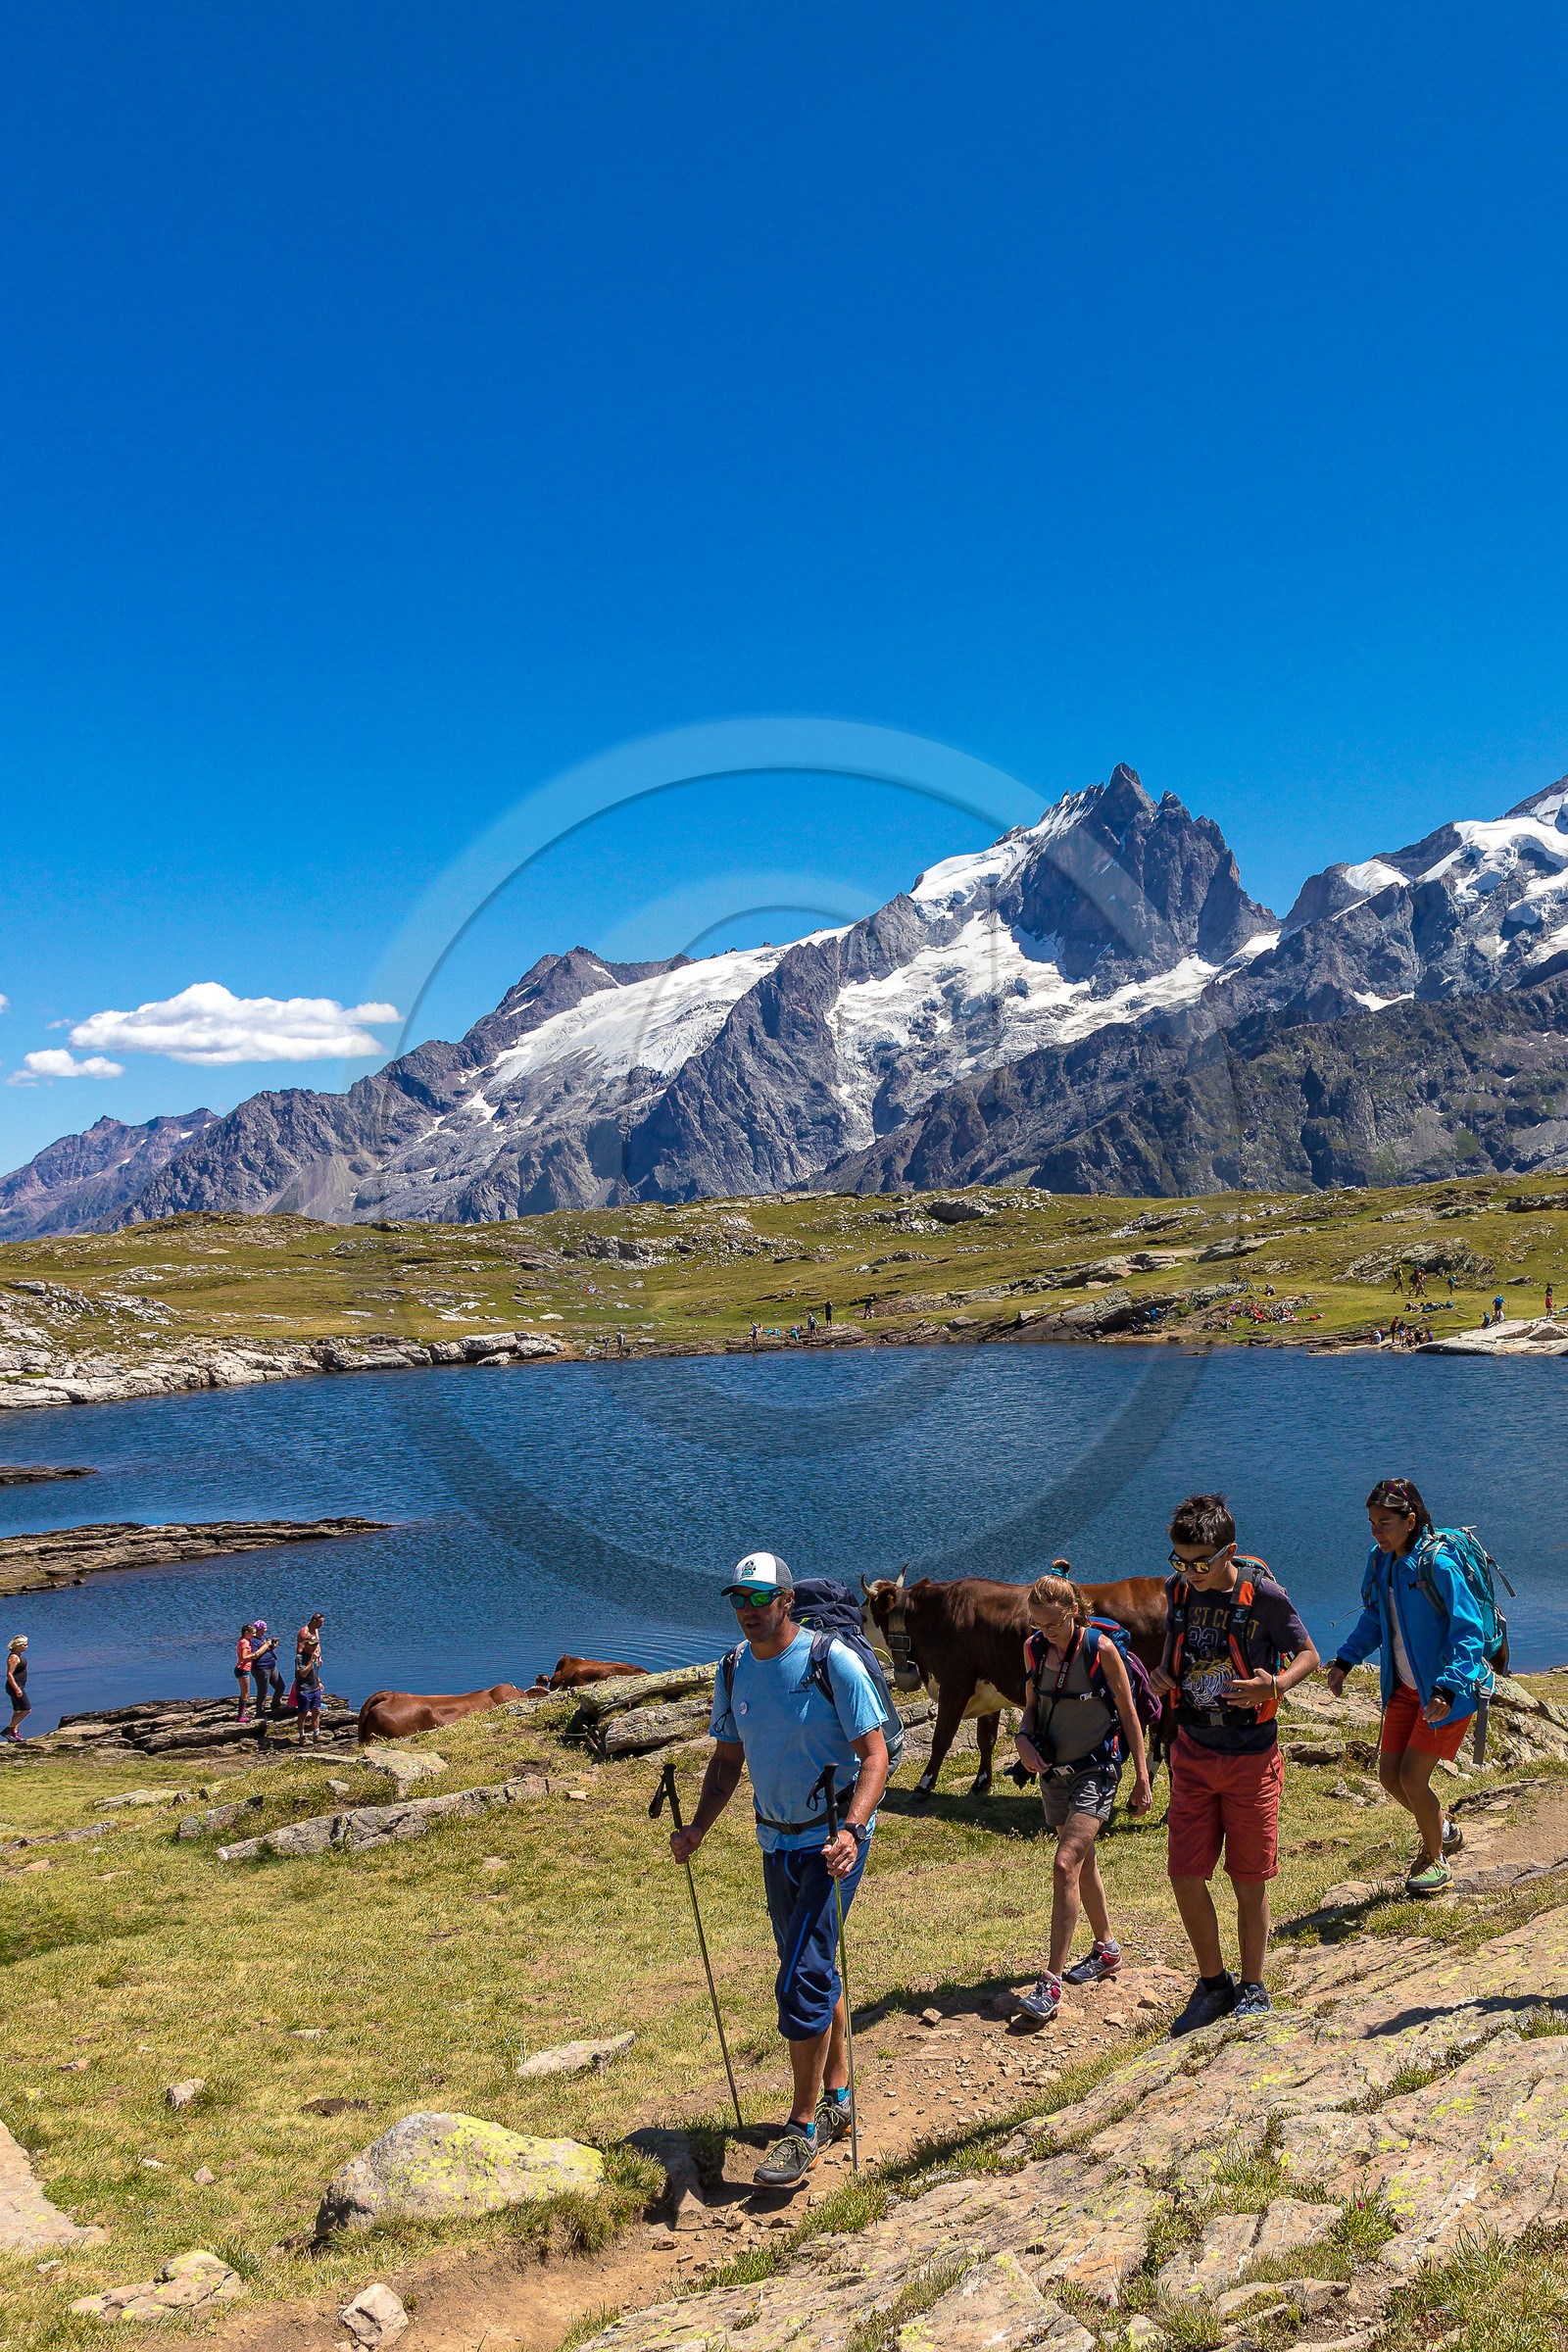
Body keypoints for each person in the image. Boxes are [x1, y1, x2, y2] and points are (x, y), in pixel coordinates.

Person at [671, 1551, 890, 2191]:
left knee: (800, 1980)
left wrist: (851, 1829)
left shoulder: (832, 1663)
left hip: (831, 1847)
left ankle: (801, 2130)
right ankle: (839, 2096)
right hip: (776, 1844)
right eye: (737, 1598)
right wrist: (697, 1828)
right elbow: (726, 1760)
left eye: (759, 1598)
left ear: (786, 1601)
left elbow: (874, 1758)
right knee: (812, 1970)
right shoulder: (734, 1668)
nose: (746, 1609)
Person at [1152, 1494, 1320, 2030]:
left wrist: (1276, 1683)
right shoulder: (1177, 1592)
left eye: (1201, 1562)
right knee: (1185, 1873)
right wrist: (1162, 1676)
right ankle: (1213, 1984)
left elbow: (1308, 1655)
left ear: (1230, 1551)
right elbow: (1175, 1650)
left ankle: (1253, 1986)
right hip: (1193, 1754)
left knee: (1250, 1880)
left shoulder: (1264, 1597)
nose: (1190, 1572)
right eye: (1179, 1560)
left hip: (1252, 1759)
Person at [1324, 1478, 1490, 1896]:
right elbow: (1375, 1619)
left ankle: (1436, 1859)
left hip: (1446, 1695)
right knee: (1389, 1777)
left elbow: (1468, 1631)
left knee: (1413, 1779)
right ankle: (1445, 1830)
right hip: (1403, 1690)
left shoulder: (1438, 1566)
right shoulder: (1381, 1562)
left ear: (1410, 1520)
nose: (1376, 1531)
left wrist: (1449, 1687)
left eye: (1385, 1523)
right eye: (1371, 1523)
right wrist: (1346, 1658)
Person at [1013, 1573, 1152, 2022]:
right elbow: (1032, 1704)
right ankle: (1107, 1948)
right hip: (1054, 1770)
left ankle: (1050, 1984)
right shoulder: (1034, 1649)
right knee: (1084, 1862)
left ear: (1073, 1611)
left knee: (1065, 1862)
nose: (1045, 1633)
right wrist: (1022, 1740)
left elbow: (1129, 1712)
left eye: (1053, 1624)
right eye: (1038, 1624)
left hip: (1098, 1768)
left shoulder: (1101, 1650)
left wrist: (1142, 1777)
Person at [295, 1613, 325, 1744]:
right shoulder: (300, 1658)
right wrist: (312, 1661)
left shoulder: (314, 1654)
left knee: (317, 1710)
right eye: (312, 1645)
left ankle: (316, 1734)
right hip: (304, 1689)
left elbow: (314, 1671)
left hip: (314, 1687)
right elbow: (302, 1673)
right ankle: (302, 1736)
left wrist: (318, 1681)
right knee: (303, 1713)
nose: (314, 1647)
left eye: (315, 1645)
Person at [250, 1622, 284, 1717]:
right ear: (259, 1629)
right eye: (264, 1628)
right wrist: (266, 1645)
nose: (266, 1630)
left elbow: (266, 1651)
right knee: (262, 1693)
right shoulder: (252, 1641)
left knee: (280, 1686)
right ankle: (260, 1714)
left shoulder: (263, 1639)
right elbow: (255, 1655)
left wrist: (272, 1646)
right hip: (261, 1669)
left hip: (271, 1667)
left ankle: (275, 1704)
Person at [5, 1636, 30, 1742]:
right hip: (15, 1687)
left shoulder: (20, 1655)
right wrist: (17, 1689)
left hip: (19, 1686)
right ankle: (8, 1730)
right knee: (26, 1709)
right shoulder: (14, 1657)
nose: (26, 1646)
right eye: (24, 1645)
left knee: (17, 1711)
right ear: (18, 1646)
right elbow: (9, 1674)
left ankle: (14, 1734)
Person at [234, 1623, 256, 1722]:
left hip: (241, 1669)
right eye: (252, 1633)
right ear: (246, 1632)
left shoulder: (242, 1640)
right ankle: (241, 1716)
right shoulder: (245, 1643)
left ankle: (241, 1714)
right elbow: (243, 1657)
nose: (254, 1635)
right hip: (242, 1670)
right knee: (245, 1694)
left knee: (244, 1693)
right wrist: (254, 1654)